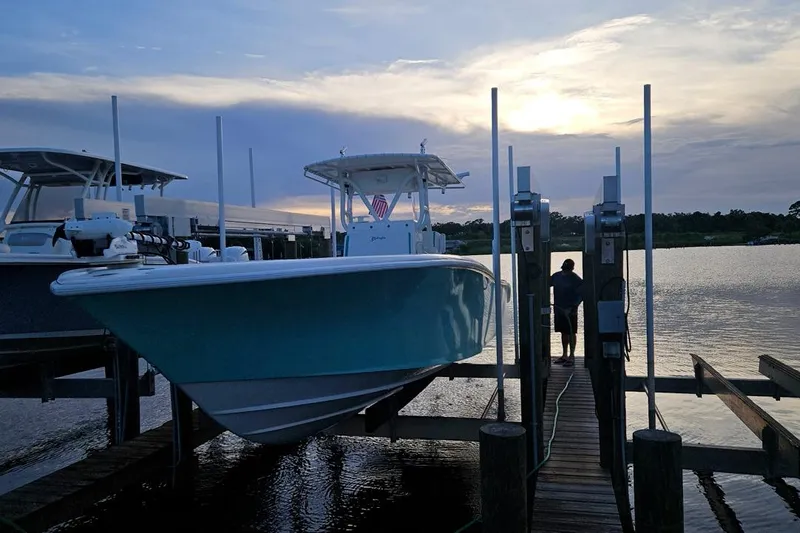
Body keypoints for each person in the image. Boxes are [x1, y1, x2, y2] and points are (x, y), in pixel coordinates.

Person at [549, 258, 583, 367]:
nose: (566, 271)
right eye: (565, 268)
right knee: (563, 332)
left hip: (571, 311)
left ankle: (572, 356)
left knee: (572, 332)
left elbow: (581, 294)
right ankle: (564, 355)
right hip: (559, 309)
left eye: (568, 269)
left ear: (572, 269)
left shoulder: (575, 279)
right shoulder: (556, 276)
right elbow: (544, 285)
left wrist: (573, 307)